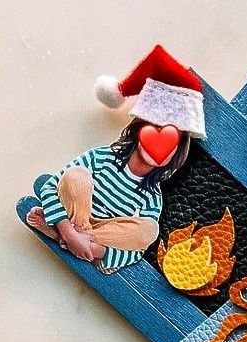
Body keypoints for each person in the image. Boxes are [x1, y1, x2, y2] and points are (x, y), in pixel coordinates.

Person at [24, 45, 206, 272]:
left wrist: (95, 248)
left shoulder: (151, 196)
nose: (159, 146)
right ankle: (70, 235)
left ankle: (72, 240)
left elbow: (136, 251)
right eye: (154, 130)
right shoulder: (103, 157)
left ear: (174, 157)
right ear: (139, 131)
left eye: (171, 144)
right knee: (76, 175)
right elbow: (52, 187)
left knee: (150, 230)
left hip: (103, 236)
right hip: (76, 215)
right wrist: (70, 230)